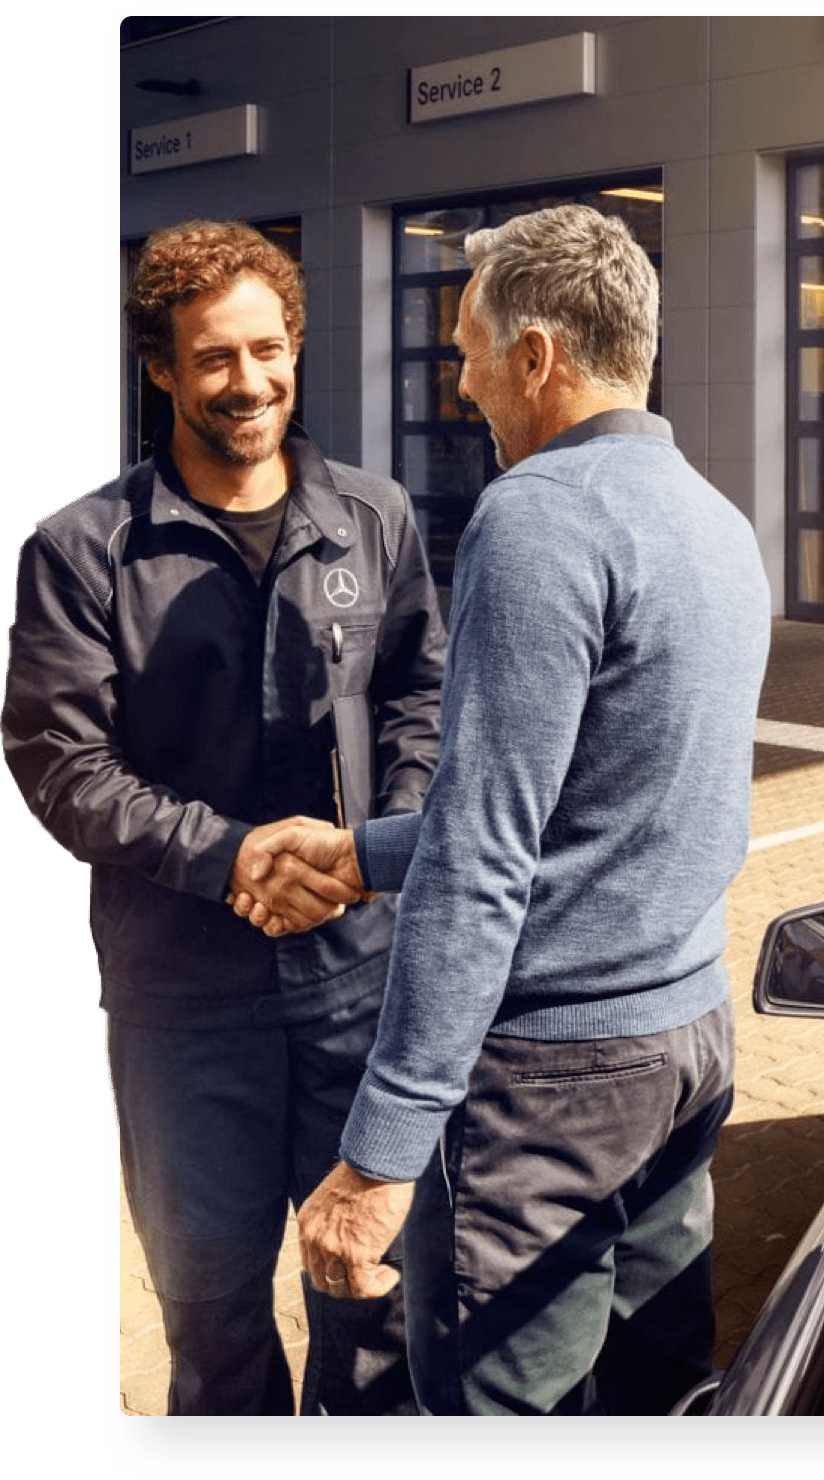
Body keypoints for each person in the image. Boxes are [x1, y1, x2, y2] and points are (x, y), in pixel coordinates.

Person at [236, 204, 771, 1416]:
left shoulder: (540, 517)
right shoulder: (715, 522)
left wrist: (380, 1155)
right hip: (683, 1049)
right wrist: (361, 851)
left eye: (469, 350)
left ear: (537, 357)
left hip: (546, 1091)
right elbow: (592, 809)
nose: (462, 382)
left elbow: (484, 860)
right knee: (655, 1397)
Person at [0, 220, 446, 1416]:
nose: (247, 383)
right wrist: (229, 852)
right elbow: (59, 764)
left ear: (295, 347)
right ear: (160, 369)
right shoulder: (82, 550)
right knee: (210, 1314)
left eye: (266, 350)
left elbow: (420, 696)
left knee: (370, 1285)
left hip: (357, 979)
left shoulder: (375, 517)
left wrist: (373, 846)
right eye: (212, 359)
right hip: (181, 1000)